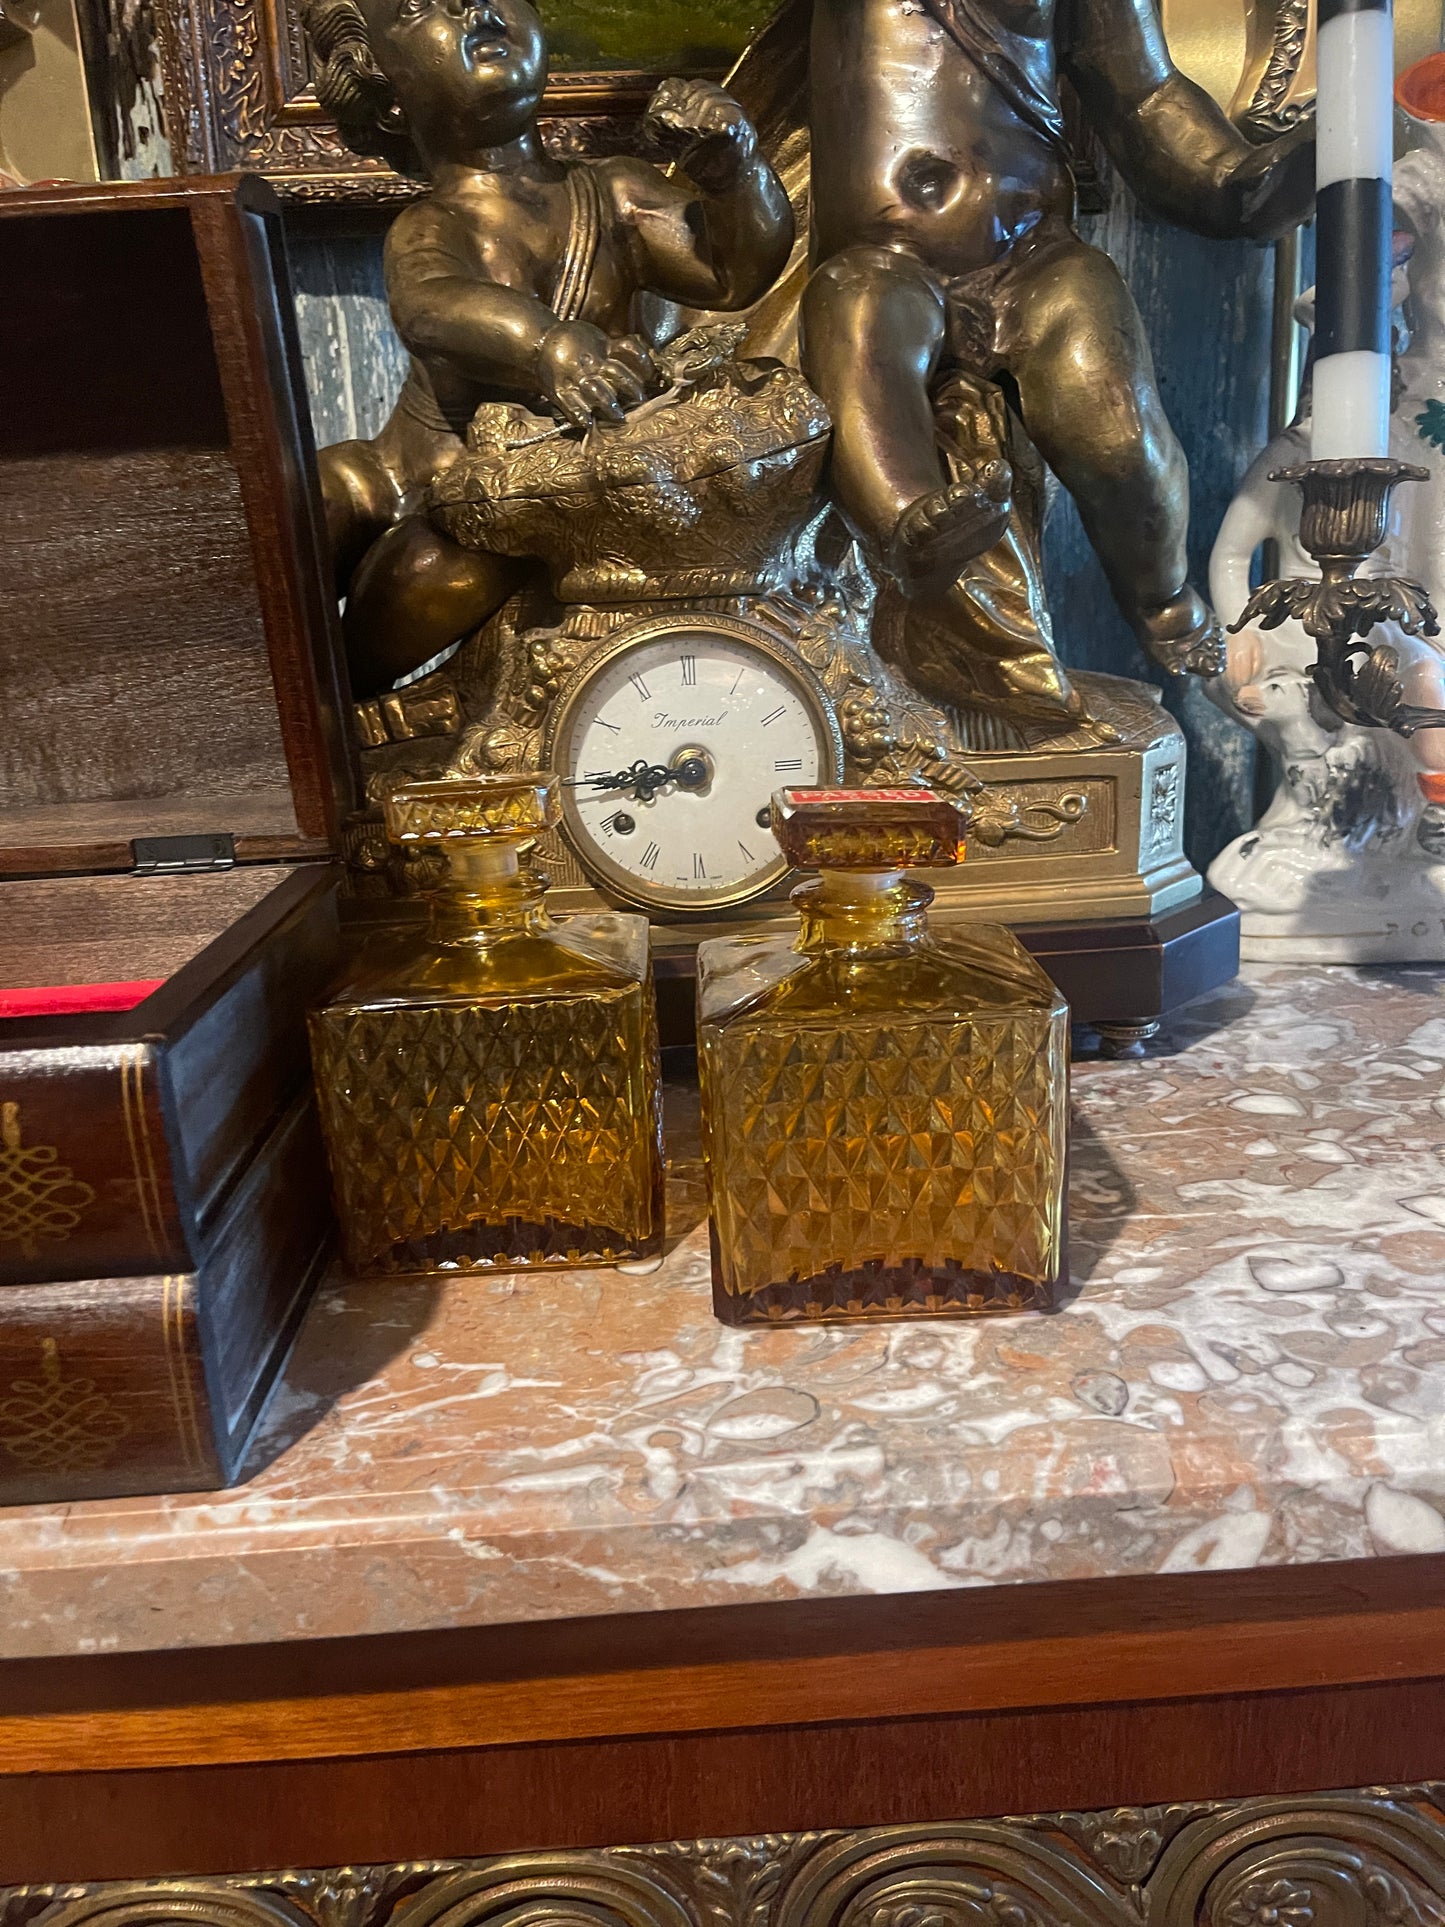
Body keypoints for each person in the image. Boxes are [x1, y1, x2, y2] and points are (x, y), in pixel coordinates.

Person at [797, 0, 1315, 729]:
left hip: (1033, 256)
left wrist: (1239, 182)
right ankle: (913, 530)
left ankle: (1165, 602)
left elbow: (1147, 97)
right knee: (857, 334)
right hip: (881, 258)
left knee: (1117, 430)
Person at [303, 0, 793, 695]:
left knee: (453, 563)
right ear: (383, 87)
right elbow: (431, 305)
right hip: (411, 471)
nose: (474, 9)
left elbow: (728, 270)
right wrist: (548, 343)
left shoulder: (612, 192)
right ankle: (315, 708)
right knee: (309, 503)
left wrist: (733, 173)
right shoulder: (431, 223)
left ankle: (341, 693)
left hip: (524, 499)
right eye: (419, 8)